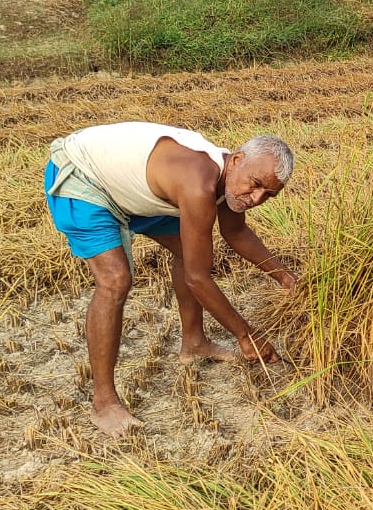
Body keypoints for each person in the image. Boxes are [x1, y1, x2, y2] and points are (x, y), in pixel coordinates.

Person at [44, 122, 298, 435]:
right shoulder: (196, 182)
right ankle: (104, 402)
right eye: (255, 183)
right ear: (236, 160)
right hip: (84, 175)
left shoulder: (230, 187)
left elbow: (236, 232)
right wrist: (246, 335)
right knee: (115, 280)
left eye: (268, 195)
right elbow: (197, 279)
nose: (256, 197)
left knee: (187, 249)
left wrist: (286, 278)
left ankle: (194, 343)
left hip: (131, 187)